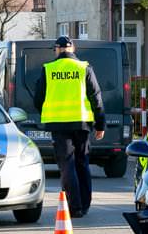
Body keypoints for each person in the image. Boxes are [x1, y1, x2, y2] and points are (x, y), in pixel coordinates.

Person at [34, 36, 105, 218]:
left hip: (58, 125)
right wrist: (100, 124)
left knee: (67, 165)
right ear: (72, 48)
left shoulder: (49, 69)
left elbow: (38, 98)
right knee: (82, 163)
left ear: (57, 49)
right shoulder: (84, 67)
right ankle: (85, 204)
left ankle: (75, 207)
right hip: (82, 124)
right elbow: (96, 96)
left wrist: (48, 109)